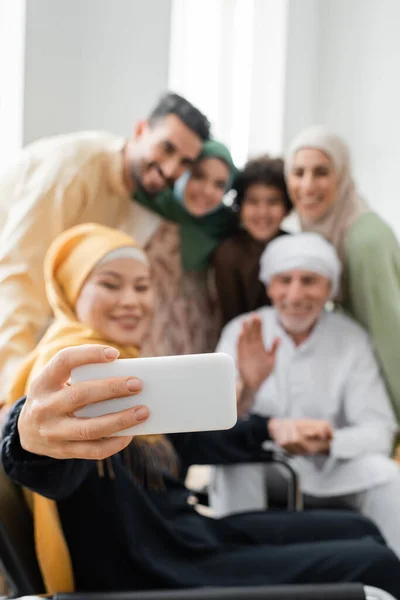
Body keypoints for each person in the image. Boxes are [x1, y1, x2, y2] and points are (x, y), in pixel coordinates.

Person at [3, 225, 400, 597]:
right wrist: (26, 436)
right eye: (110, 284)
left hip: (188, 536)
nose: (132, 301)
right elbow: (48, 461)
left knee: (359, 526)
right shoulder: (66, 371)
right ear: (71, 292)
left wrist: (260, 412)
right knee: (377, 563)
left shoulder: (126, 368)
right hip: (158, 570)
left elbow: (189, 443)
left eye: (143, 287)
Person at [0, 92, 210, 406]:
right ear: (140, 130)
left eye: (184, 163)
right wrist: (10, 395)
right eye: (167, 148)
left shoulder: (133, 195)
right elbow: (18, 277)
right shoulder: (75, 168)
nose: (170, 169)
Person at [213, 232, 400, 559]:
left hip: (331, 468)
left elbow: (380, 432)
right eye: (284, 280)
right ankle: (237, 566)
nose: (295, 295)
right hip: (266, 466)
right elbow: (217, 425)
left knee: (386, 475)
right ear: (269, 286)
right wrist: (249, 383)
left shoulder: (351, 340)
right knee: (232, 465)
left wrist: (328, 441)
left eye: (309, 281)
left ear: (329, 288)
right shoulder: (241, 332)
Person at [285, 125, 400, 423]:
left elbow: (389, 334)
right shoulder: (317, 228)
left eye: (321, 172)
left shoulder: (364, 240)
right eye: (298, 173)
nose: (307, 186)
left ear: (342, 175)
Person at [140, 140, 238, 356]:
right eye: (198, 176)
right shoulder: (146, 205)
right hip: (146, 322)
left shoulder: (225, 225)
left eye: (220, 184)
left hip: (201, 325)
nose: (207, 191)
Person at [213, 156, 292, 326]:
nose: (262, 212)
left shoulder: (295, 247)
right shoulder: (228, 252)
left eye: (273, 201)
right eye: (252, 201)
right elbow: (232, 321)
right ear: (240, 207)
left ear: (287, 207)